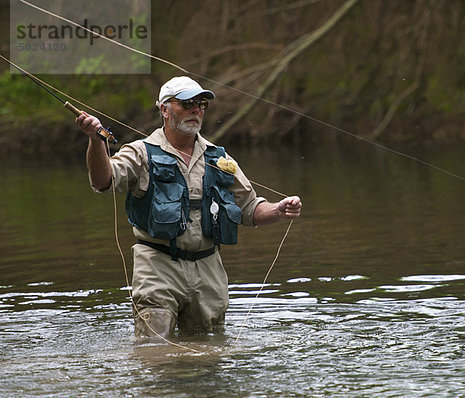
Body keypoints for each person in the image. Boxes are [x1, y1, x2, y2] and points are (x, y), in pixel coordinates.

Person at [76, 76, 302, 338]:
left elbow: (250, 209)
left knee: (208, 352)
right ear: (164, 109)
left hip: (208, 270)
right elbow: (102, 181)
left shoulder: (220, 158)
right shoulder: (140, 153)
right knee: (154, 350)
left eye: (201, 104)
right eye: (187, 103)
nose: (196, 110)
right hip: (157, 265)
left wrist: (278, 209)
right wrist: (95, 140)